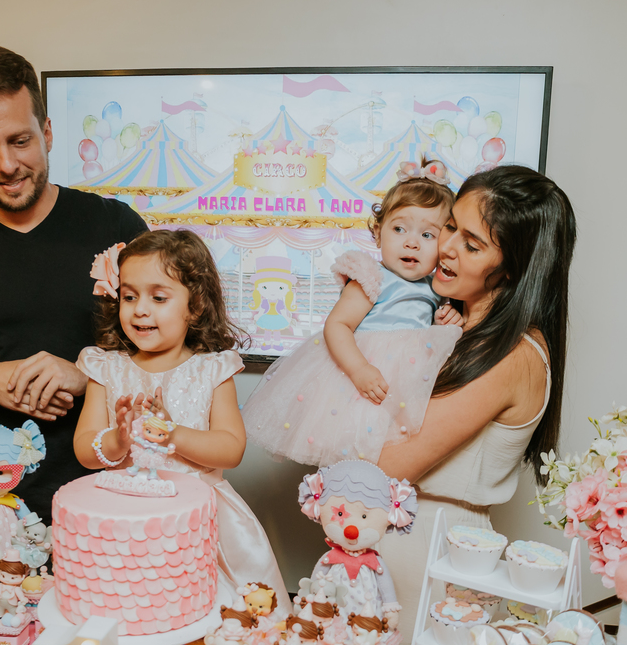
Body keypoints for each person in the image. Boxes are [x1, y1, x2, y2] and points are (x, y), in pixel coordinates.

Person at [0, 44, 148, 523]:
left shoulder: (117, 226)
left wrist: (87, 376)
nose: (7, 165)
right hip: (2, 511)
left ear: (47, 132)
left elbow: (180, 362)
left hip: (121, 496)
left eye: (20, 141)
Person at [375, 165, 576, 620]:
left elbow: (390, 463)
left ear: (513, 269)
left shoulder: (510, 354)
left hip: (431, 548)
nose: (445, 247)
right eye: (450, 227)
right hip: (391, 533)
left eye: (471, 244)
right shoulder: (447, 322)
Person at [72, 229, 289, 609]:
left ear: (196, 306)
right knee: (135, 609)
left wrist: (170, 433)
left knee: (209, 613)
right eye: (129, 296)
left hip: (198, 517)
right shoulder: (104, 367)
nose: (140, 309)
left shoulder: (213, 369)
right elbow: (84, 451)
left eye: (158, 297)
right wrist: (119, 440)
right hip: (126, 516)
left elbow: (231, 449)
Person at [242, 158, 464, 466]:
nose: (412, 243)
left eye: (428, 235)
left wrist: (443, 321)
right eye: (399, 229)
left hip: (408, 386)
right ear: (379, 232)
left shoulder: (437, 287)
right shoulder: (371, 276)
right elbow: (338, 325)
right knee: (353, 459)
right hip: (364, 380)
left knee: (394, 457)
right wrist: (359, 370)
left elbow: (429, 337)